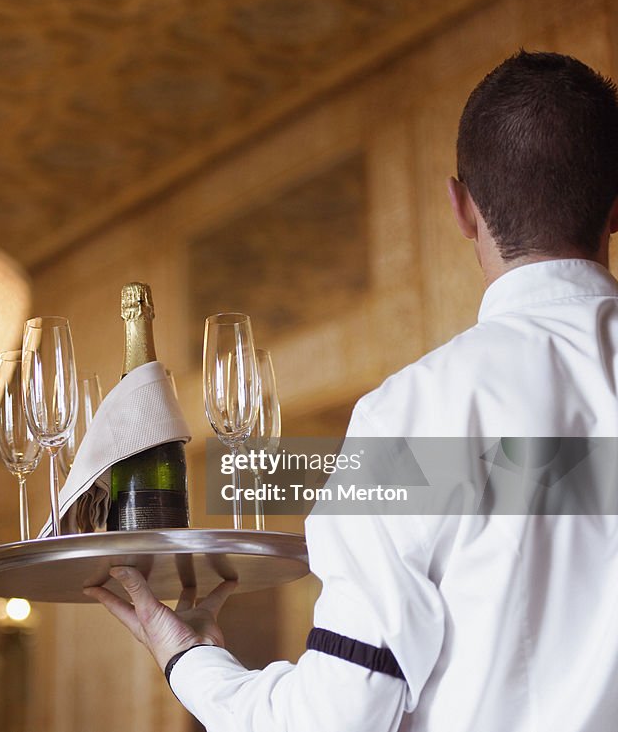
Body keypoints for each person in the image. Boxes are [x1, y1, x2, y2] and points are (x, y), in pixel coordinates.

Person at [86, 50, 618, 731]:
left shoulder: (411, 417)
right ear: (614, 205)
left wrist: (186, 655)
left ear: (461, 207)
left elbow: (335, 720)